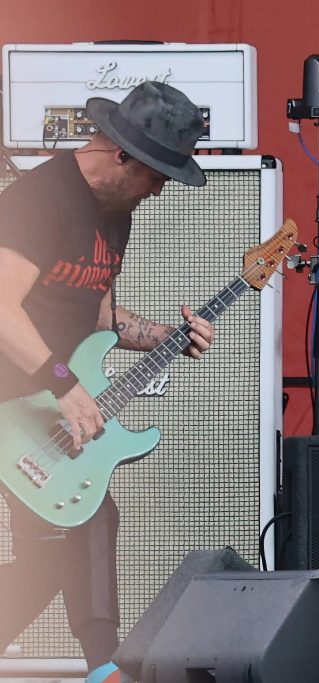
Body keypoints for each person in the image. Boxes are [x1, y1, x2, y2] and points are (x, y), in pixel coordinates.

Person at [0, 81, 216, 679]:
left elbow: (96, 318)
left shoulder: (115, 216)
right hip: (13, 403)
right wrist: (65, 386)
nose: (159, 190)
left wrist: (166, 337)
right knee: (92, 515)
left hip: (42, 409)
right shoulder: (41, 198)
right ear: (123, 154)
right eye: (157, 176)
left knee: (50, 560)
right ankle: (106, 669)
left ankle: (102, 666)